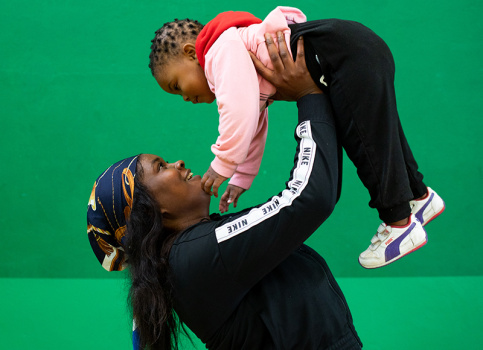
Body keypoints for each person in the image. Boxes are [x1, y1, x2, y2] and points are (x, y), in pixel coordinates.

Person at [87, 36, 362, 349]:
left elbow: (316, 194)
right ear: (149, 211)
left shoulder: (196, 250)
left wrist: (315, 99)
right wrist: (309, 94)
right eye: (161, 167)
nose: (178, 163)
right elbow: (308, 199)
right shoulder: (196, 254)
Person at [148, 6, 446, 268]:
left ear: (191, 53)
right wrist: (240, 178)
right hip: (356, 46)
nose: (184, 97)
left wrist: (222, 163)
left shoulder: (218, 51)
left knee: (365, 142)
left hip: (343, 54)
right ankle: (419, 197)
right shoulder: (237, 51)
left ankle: (398, 222)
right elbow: (253, 122)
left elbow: (238, 111)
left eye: (176, 85)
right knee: (381, 132)